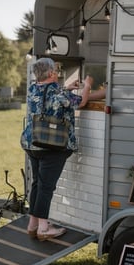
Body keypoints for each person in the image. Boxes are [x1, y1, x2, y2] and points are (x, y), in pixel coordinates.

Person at [21, 58, 93, 240]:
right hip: (52, 146)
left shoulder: (33, 88)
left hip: (32, 143)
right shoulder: (58, 92)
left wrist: (67, 88)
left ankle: (33, 224)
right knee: (46, 187)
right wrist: (87, 86)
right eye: (56, 70)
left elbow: (49, 98)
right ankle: (43, 228)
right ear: (52, 73)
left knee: (37, 184)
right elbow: (81, 102)